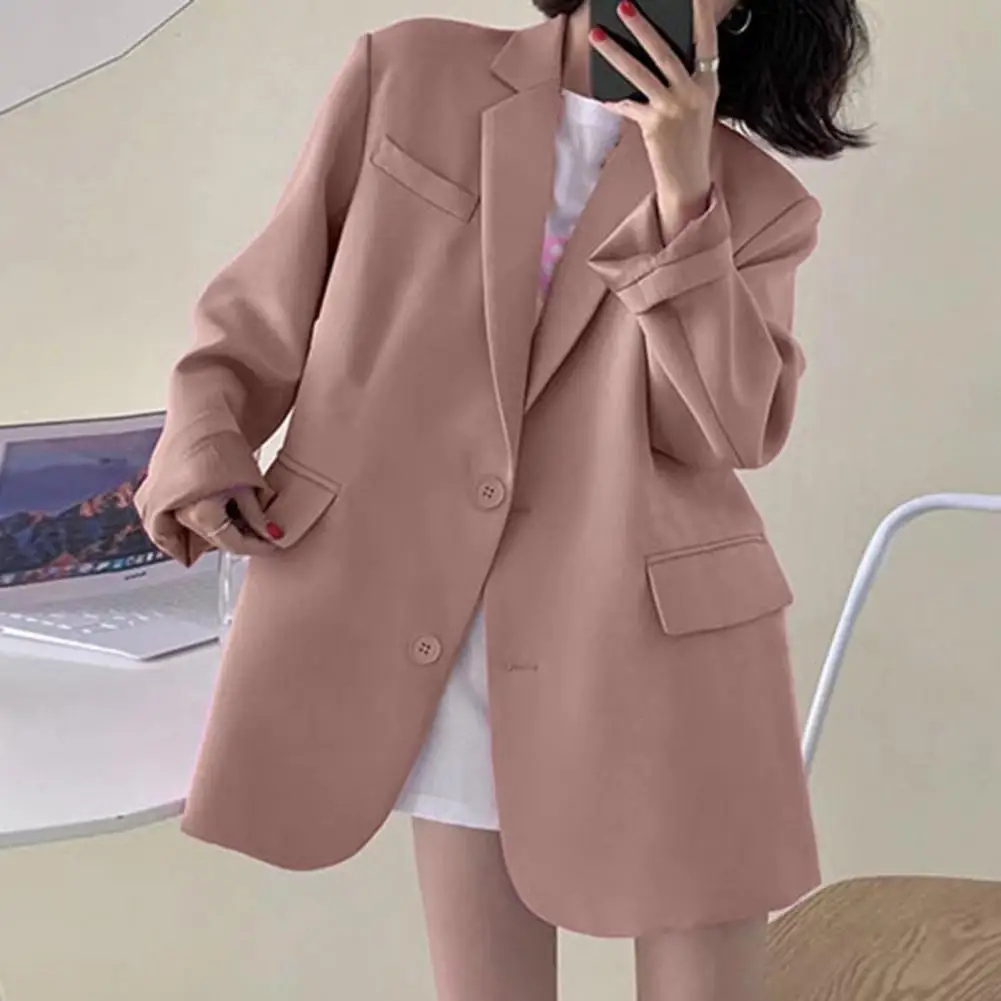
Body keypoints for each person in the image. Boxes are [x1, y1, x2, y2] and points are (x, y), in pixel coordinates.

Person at [134, 0, 869, 997]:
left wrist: (683, 191)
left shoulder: (758, 203)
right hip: (434, 628)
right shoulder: (409, 73)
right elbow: (265, 300)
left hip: (659, 650)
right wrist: (207, 442)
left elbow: (723, 433)